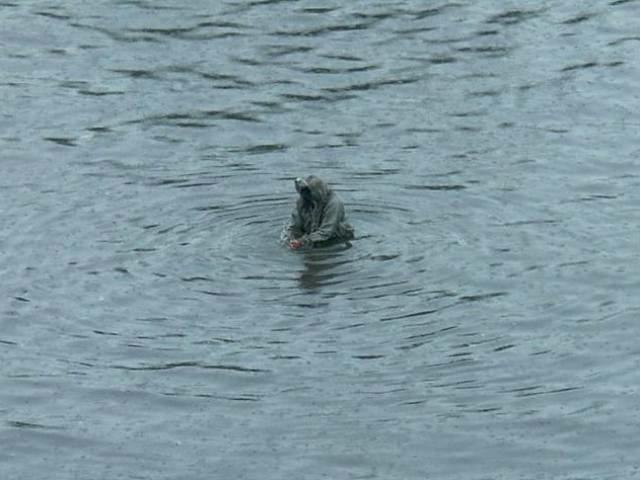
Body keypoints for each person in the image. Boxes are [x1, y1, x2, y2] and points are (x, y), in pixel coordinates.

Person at [287, 175, 354, 249]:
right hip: (313, 236)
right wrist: (292, 239)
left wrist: (302, 241)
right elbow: (294, 225)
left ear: (317, 191)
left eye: (309, 193)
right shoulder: (302, 202)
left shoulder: (334, 203)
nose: (306, 197)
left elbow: (327, 231)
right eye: (303, 193)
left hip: (336, 239)